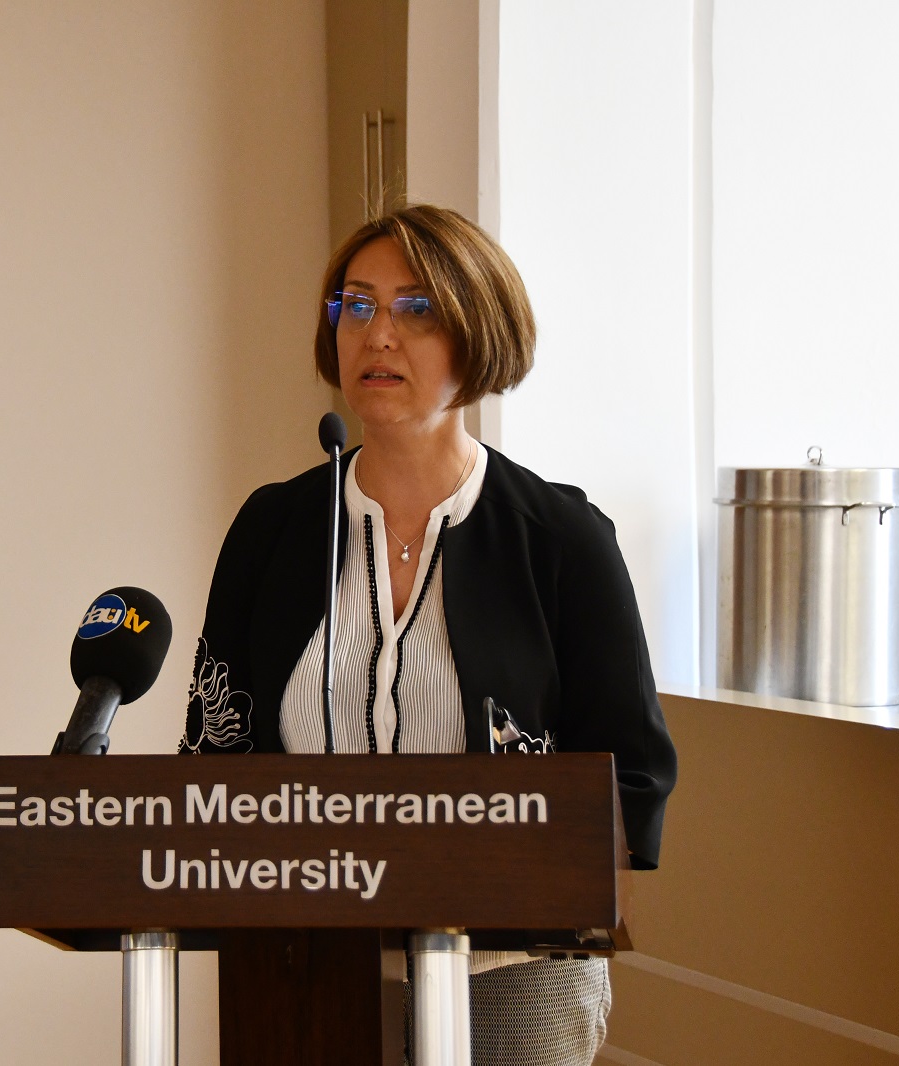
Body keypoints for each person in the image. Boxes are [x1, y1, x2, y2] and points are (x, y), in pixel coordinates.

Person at [179, 203, 677, 1065]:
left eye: (416, 309)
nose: (378, 335)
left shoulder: (561, 539)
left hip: (509, 972)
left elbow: (631, 775)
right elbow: (214, 751)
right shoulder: (273, 530)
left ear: (478, 331)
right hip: (303, 966)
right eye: (356, 305)